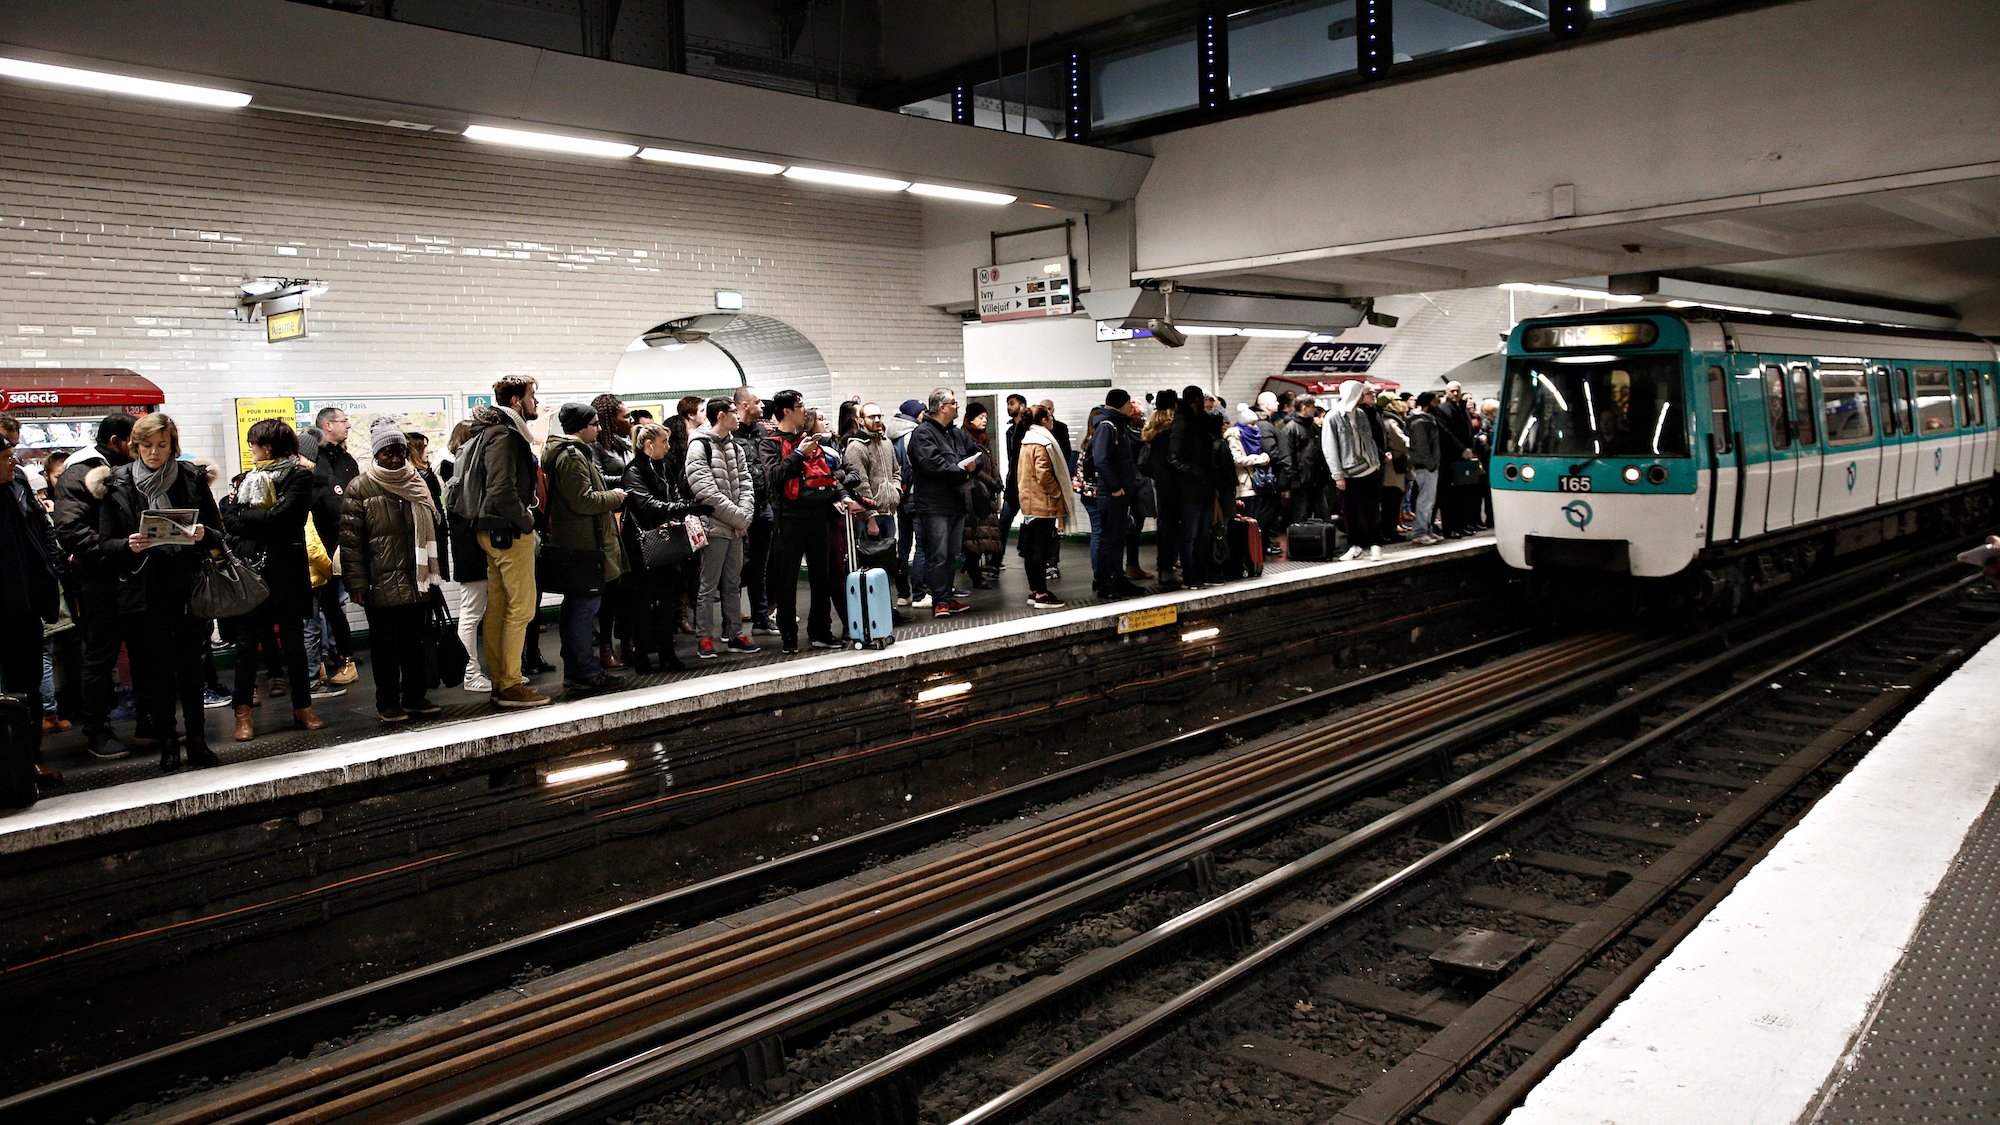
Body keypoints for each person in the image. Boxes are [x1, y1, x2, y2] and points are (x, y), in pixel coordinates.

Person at [225, 417, 325, 739]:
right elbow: (228, 519)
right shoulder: (244, 479)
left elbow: (285, 519)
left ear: (267, 446)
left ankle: (303, 707)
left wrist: (249, 518)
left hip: (287, 571)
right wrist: (261, 519)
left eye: (253, 444)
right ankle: (243, 713)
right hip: (252, 569)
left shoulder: (299, 477)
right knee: (246, 644)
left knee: (294, 643)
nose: (250, 450)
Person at [454, 375, 551, 709]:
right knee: (522, 606)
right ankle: (510, 683)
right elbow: (500, 491)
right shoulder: (506, 436)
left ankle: (500, 679)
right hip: (507, 530)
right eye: (531, 396)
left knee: (498, 605)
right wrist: (527, 521)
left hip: (492, 530)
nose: (535, 402)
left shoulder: (491, 433)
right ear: (514, 401)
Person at [340, 421, 445, 723]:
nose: (396, 458)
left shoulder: (417, 481)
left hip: (416, 579)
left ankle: (414, 696)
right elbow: (350, 542)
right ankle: (387, 702)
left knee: (414, 644)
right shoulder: (360, 488)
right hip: (380, 582)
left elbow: (435, 528)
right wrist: (356, 583)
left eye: (400, 451)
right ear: (376, 454)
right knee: (385, 648)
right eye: (388, 452)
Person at [50, 412, 137, 760]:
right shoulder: (81, 473)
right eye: (138, 441)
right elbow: (69, 530)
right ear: (116, 441)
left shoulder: (135, 470)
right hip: (102, 581)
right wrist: (117, 547)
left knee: (145, 651)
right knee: (100, 656)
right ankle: (97, 730)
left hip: (138, 577)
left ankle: (147, 721)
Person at [763, 389, 865, 650]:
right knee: (787, 580)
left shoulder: (809, 439)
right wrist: (797, 454)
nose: (804, 410)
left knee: (822, 577)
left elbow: (827, 475)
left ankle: (821, 631)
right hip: (789, 519)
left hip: (819, 516)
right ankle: (789, 636)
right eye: (800, 406)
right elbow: (773, 476)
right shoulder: (770, 443)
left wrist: (842, 495)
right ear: (787, 411)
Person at [541, 403, 628, 692]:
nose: (599, 428)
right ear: (580, 427)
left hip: (581, 541)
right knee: (582, 609)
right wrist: (614, 497)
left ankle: (580, 670)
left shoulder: (571, 454)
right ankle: (584, 673)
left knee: (578, 608)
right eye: (594, 424)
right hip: (584, 544)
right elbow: (582, 500)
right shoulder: (571, 457)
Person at [1, 430, 68, 782]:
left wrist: (52, 567)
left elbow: (42, 529)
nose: (12, 462)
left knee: (27, 684)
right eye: (5, 457)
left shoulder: (18, 485)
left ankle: (31, 758)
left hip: (25, 601)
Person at [619, 420, 703, 672]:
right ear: (648, 445)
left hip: (665, 541)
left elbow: (672, 496)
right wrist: (685, 507)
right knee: (643, 602)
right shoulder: (634, 471)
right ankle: (643, 655)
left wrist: (681, 507)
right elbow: (647, 505)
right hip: (642, 544)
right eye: (663, 442)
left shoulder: (663, 467)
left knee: (667, 599)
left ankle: (667, 652)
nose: (668, 446)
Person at [685, 397, 759, 660]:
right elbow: (705, 491)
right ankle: (704, 637)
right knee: (708, 585)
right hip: (714, 528)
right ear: (720, 416)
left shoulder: (734, 446)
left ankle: (735, 633)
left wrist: (744, 516)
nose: (738, 417)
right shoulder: (698, 445)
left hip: (736, 528)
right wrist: (740, 519)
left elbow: (746, 483)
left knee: (732, 584)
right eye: (733, 412)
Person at [906, 387, 979, 619]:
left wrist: (973, 465)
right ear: (942, 407)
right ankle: (940, 600)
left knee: (951, 554)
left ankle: (947, 596)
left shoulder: (956, 433)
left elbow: (975, 452)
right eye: (954, 403)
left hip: (956, 502)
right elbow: (932, 464)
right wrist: (962, 472)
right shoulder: (923, 434)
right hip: (934, 504)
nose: (958, 406)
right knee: (937, 554)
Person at [304, 406, 360, 687]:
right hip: (319, 544)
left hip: (344, 542)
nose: (348, 425)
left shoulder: (347, 460)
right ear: (327, 425)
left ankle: (344, 658)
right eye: (343, 421)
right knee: (322, 608)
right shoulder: (316, 460)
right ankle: (328, 659)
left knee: (336, 604)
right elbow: (319, 501)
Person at [589, 393, 635, 672]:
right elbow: (598, 479)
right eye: (624, 416)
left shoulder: (624, 443)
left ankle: (627, 638)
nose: (629, 421)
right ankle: (606, 645)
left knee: (631, 586)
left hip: (632, 517)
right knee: (612, 588)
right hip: (613, 518)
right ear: (609, 419)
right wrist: (632, 480)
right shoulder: (595, 447)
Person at [1086, 389, 1144, 599]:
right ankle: (1106, 582)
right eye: (1129, 403)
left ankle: (1117, 578)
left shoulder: (1117, 424)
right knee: (1109, 538)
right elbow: (1101, 459)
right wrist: (1115, 486)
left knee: (1117, 537)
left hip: (1119, 492)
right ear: (1121, 404)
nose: (1132, 407)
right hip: (1111, 493)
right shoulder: (1107, 426)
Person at [843, 400, 903, 602]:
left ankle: (887, 609)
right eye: (871, 417)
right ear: (860, 420)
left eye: (879, 416)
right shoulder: (856, 447)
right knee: (871, 566)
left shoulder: (886, 443)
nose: (877, 420)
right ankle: (870, 609)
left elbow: (896, 470)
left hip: (888, 512)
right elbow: (860, 486)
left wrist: (895, 490)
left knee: (887, 566)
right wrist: (871, 518)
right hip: (870, 517)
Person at [1015, 403, 1072, 608]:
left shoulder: (1027, 440)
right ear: (1042, 421)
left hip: (1030, 501)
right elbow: (1043, 473)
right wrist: (1057, 492)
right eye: (1049, 417)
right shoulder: (1041, 443)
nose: (1052, 420)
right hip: (1043, 503)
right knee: (1040, 549)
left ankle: (1034, 591)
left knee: (1031, 550)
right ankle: (1041, 593)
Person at [1323, 381, 1386, 561]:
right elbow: (1330, 448)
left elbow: (1369, 440)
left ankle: (1375, 544)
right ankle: (1356, 545)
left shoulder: (1361, 414)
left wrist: (1375, 460)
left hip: (1369, 469)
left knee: (1372, 509)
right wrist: (1338, 475)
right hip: (1349, 473)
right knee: (1350, 512)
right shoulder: (1333, 417)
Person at [1165, 386, 1216, 590]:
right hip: (1188, 488)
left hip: (1203, 486)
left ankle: (1200, 572)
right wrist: (1198, 471)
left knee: (1202, 533)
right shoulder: (1182, 423)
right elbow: (1173, 457)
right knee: (1190, 534)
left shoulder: (1200, 421)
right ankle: (1190, 574)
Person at [959, 402, 1003, 589]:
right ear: (970, 419)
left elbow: (991, 462)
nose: (984, 420)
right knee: (974, 534)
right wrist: (989, 480)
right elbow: (972, 465)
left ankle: (974, 569)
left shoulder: (983, 438)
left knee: (983, 534)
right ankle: (974, 573)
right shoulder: (964, 437)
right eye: (980, 417)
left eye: (986, 417)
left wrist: (997, 480)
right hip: (973, 492)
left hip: (985, 492)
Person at [887, 398, 926, 605]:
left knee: (903, 545)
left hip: (901, 498)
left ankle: (903, 594)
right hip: (915, 494)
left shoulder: (893, 434)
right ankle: (920, 593)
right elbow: (911, 466)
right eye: (922, 411)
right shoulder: (912, 435)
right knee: (921, 546)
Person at [1140, 389, 1180, 586]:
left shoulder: (1153, 426)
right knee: (1172, 525)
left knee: (1165, 524)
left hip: (1160, 481)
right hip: (1174, 482)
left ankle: (1164, 564)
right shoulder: (1173, 427)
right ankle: (1167, 567)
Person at [1435, 380, 1478, 538]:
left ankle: (1462, 524)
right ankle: (1450, 527)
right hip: (1450, 457)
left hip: (1464, 456)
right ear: (1447, 392)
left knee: (1463, 494)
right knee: (1449, 495)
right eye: (1452, 391)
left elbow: (1468, 430)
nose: (1454, 393)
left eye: (1457, 391)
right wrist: (1462, 449)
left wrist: (1470, 448)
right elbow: (1446, 433)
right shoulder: (1442, 409)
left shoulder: (1462, 408)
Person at [1407, 393, 1445, 545]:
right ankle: (1420, 532)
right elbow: (1422, 446)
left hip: (1427, 465)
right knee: (1425, 500)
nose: (1438, 405)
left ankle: (1426, 530)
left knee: (1428, 500)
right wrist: (1431, 464)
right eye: (1436, 402)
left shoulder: (1424, 420)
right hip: (1426, 466)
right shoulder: (1420, 422)